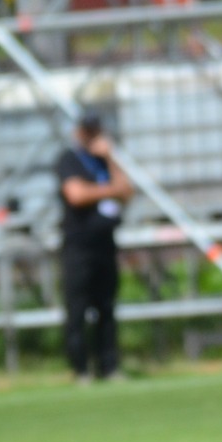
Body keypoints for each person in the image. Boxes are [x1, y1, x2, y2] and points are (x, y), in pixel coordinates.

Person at [56, 109, 134, 382]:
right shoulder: (69, 159)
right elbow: (76, 195)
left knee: (107, 308)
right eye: (87, 131)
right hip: (78, 247)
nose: (92, 136)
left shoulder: (105, 161)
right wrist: (110, 190)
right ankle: (81, 369)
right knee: (77, 310)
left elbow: (127, 191)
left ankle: (109, 366)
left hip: (105, 244)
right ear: (78, 132)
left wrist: (110, 157)